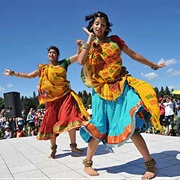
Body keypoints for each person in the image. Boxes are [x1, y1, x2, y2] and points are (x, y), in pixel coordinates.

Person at [77, 11, 166, 179]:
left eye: (103, 24)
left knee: (130, 122)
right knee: (99, 126)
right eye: (96, 23)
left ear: (107, 27)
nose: (99, 27)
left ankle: (150, 164)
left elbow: (133, 54)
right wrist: (89, 40)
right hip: (100, 91)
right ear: (92, 25)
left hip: (121, 85)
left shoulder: (115, 40)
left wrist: (152, 65)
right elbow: (81, 61)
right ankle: (87, 163)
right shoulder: (89, 45)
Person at [3, 40, 89, 158]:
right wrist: (13, 73)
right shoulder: (43, 68)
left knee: (71, 119)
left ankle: (73, 146)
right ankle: (53, 149)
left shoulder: (63, 63)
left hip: (65, 97)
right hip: (51, 101)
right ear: (48, 55)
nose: (51, 54)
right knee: (51, 123)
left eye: (54, 52)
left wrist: (79, 46)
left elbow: (78, 56)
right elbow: (30, 76)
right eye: (50, 52)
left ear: (57, 55)